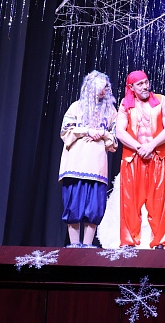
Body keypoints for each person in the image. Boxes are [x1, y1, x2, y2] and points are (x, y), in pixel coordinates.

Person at [115, 70, 165, 248]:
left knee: (159, 201)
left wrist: (151, 146)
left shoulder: (161, 100)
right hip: (134, 158)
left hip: (157, 156)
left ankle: (160, 242)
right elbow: (120, 132)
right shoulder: (125, 104)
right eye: (140, 84)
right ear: (131, 87)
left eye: (146, 82)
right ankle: (129, 242)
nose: (145, 86)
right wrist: (140, 147)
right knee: (130, 202)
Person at [59, 70, 118, 248]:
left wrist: (103, 133)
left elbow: (114, 140)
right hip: (76, 163)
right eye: (101, 87)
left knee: (94, 207)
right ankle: (74, 245)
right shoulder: (76, 107)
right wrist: (86, 131)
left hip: (97, 165)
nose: (104, 91)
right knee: (74, 205)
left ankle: (87, 246)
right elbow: (65, 131)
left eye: (106, 87)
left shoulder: (111, 111)